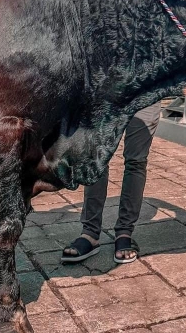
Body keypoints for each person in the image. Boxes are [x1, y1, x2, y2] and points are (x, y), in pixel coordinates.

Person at [61, 102, 160, 264]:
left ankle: (124, 233)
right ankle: (90, 233)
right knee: (97, 159)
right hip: (109, 90)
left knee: (136, 161)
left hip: (147, 93)